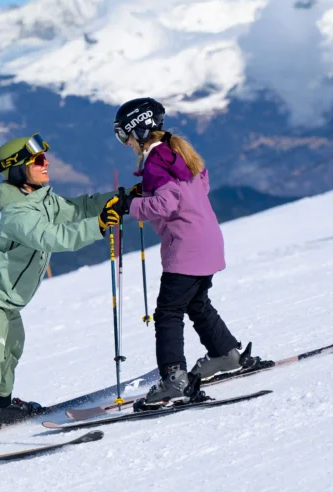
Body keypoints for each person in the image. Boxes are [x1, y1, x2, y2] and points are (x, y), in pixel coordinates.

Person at [0, 134, 128, 462]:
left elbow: (78, 208)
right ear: (18, 169)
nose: (46, 163)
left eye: (44, 158)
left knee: (12, 349)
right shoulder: (16, 214)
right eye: (37, 160)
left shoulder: (42, 199)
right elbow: (54, 236)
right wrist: (99, 225)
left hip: (8, 297)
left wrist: (121, 198)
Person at [112, 98, 263, 406]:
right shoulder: (177, 151)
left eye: (124, 134)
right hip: (208, 241)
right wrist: (146, 192)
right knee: (197, 302)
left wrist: (131, 205)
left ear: (139, 131)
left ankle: (174, 380)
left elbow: (166, 204)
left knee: (168, 313)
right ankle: (225, 354)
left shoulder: (156, 162)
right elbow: (197, 187)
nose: (125, 142)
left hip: (186, 248)